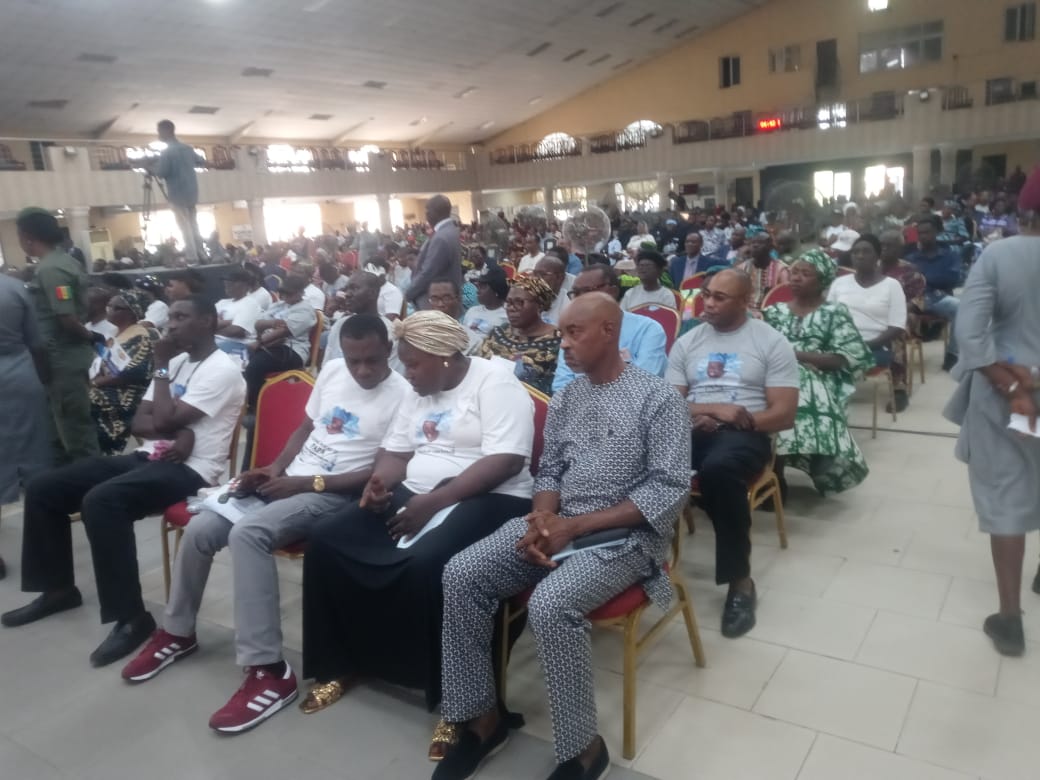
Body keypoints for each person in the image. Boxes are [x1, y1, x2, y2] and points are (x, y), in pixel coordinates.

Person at [431, 293, 690, 780]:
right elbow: (549, 470)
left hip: (627, 537)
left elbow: (669, 490)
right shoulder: (568, 398)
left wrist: (574, 527)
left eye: (574, 333)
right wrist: (544, 520)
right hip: (560, 522)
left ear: (608, 332)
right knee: (462, 574)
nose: (563, 343)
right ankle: (483, 721)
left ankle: (584, 750)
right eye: (562, 333)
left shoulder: (658, 400)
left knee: (551, 604)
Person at [121, 314, 409, 731]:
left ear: (389, 350)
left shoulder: (403, 396)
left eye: (372, 360)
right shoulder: (332, 371)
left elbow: (380, 472)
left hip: (332, 494)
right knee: (201, 529)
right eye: (354, 360)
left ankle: (269, 670)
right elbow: (306, 428)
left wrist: (304, 482)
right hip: (290, 480)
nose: (362, 370)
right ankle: (177, 631)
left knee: (249, 534)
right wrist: (274, 468)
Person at [298, 310, 535, 714]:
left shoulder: (495, 382)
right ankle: (342, 664)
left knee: (425, 563)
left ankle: (448, 693)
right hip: (418, 492)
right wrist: (379, 485)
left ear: (443, 357)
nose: (406, 374)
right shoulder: (417, 390)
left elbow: (506, 460)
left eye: (413, 364)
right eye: (404, 364)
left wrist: (433, 503)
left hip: (490, 497)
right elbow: (396, 452)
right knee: (328, 540)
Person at [1, 296, 245, 668]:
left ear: (208, 321)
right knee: (44, 489)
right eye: (170, 317)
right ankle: (58, 589)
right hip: (149, 457)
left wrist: (161, 374)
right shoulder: (177, 363)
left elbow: (161, 420)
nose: (171, 324)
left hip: (191, 471)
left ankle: (131, 617)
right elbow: (139, 422)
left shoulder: (221, 369)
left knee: (103, 501)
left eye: (181, 317)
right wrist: (181, 430)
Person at [667, 269, 798, 637]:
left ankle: (740, 581)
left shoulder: (770, 342)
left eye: (719, 297)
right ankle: (634, 566)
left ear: (745, 301)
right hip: (694, 428)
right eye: (706, 294)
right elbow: (669, 404)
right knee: (637, 458)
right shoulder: (687, 342)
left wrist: (733, 419)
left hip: (746, 433)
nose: (708, 303)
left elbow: (784, 414)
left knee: (719, 470)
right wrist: (711, 410)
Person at [943, 168, 1040, 657]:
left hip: (1007, 398)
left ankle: (1009, 619)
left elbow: (970, 335)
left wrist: (1014, 387)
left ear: (1023, 212)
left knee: (1005, 495)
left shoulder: (999, 255)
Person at [763, 250, 872, 496]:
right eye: (794, 272)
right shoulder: (774, 312)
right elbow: (760, 349)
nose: (796, 278)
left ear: (822, 280)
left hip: (822, 379)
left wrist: (794, 357)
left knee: (799, 385)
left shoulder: (834, 313)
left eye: (805, 274)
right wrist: (794, 359)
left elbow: (842, 358)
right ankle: (769, 471)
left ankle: (779, 472)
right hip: (773, 375)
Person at [18, 207, 101, 463]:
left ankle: (91, 480)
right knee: (63, 428)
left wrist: (90, 337)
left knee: (76, 432)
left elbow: (66, 318)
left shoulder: (50, 270)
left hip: (63, 358)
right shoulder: (64, 261)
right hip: (66, 355)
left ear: (27, 237)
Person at [0, 272, 52, 580]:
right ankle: (44, 547)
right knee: (34, 457)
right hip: (20, 376)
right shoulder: (14, 288)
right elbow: (37, 343)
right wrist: (44, 381)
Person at [551, 265, 667, 393]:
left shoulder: (648, 329)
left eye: (587, 291)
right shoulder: (571, 332)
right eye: (576, 293)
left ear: (612, 291)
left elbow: (644, 385)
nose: (580, 300)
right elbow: (561, 386)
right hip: (579, 404)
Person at [828, 235, 910, 411]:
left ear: (877, 256)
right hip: (840, 344)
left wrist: (865, 345)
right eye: (855, 252)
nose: (860, 256)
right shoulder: (839, 283)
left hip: (876, 347)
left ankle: (833, 404)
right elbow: (827, 317)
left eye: (866, 252)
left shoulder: (892, 286)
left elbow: (897, 326)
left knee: (833, 362)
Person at [89, 290, 156, 455]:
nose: (109, 310)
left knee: (90, 401)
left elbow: (133, 372)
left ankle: (102, 453)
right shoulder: (115, 333)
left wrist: (95, 383)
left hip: (127, 394)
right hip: (108, 386)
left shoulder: (140, 336)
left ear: (132, 312)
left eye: (116, 308)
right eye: (109, 306)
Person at [479, 275, 562, 395]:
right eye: (508, 302)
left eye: (519, 302)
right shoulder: (497, 333)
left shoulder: (557, 341)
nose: (511, 308)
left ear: (539, 305)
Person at [243, 275, 317, 409]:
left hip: (292, 350)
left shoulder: (305, 310)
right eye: (282, 292)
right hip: (270, 345)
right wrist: (272, 323)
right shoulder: (279, 305)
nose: (284, 296)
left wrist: (259, 342)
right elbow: (258, 323)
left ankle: (256, 407)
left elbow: (284, 331)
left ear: (301, 292)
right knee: (240, 360)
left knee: (254, 366)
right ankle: (251, 400)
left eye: (289, 293)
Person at [879, 230, 927, 409]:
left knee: (894, 331)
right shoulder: (871, 269)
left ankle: (899, 389)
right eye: (881, 245)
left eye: (889, 246)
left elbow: (917, 301)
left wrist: (893, 313)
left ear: (900, 249)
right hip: (873, 315)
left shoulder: (910, 271)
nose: (884, 249)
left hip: (904, 316)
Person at [145, 120, 203, 263]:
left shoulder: (167, 152)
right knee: (194, 225)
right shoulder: (187, 148)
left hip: (177, 193)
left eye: (159, 131)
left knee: (184, 226)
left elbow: (162, 172)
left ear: (167, 131)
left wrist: (151, 168)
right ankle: (202, 254)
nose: (158, 134)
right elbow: (200, 161)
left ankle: (192, 256)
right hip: (192, 192)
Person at [908, 215, 961, 371]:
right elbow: (909, 283)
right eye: (920, 233)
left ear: (936, 233)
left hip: (938, 298)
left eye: (927, 232)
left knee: (961, 307)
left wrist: (924, 279)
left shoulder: (949, 255)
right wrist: (932, 280)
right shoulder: (912, 258)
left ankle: (952, 355)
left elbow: (953, 279)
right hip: (915, 300)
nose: (923, 236)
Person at [323, 271, 399, 369]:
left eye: (354, 288)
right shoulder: (340, 324)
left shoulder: (390, 332)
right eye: (346, 289)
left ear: (372, 293)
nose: (347, 294)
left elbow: (390, 374)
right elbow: (327, 366)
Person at [407, 196, 462, 309]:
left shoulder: (441, 237)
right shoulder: (450, 230)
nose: (426, 215)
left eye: (427, 211)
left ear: (436, 212)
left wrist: (407, 295)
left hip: (436, 301)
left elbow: (428, 273)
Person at [214, 267, 263, 361]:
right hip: (216, 341)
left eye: (232, 281)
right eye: (226, 281)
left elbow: (236, 331)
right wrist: (229, 322)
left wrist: (212, 329)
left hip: (237, 345)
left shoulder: (250, 303)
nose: (227, 283)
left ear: (245, 285)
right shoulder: (222, 302)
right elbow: (204, 323)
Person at [737, 229, 790, 313]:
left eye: (760, 243)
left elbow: (785, 296)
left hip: (771, 314)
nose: (755, 245)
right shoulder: (742, 268)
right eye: (753, 243)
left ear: (770, 247)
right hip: (745, 313)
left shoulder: (781, 270)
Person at [461, 266, 509, 354]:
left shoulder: (506, 317)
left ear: (496, 290)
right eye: (478, 286)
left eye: (482, 287)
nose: (477, 291)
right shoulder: (472, 311)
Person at [533, 253, 574, 325]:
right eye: (535, 274)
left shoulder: (569, 307)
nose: (536, 279)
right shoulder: (528, 300)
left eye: (542, 274)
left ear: (559, 278)